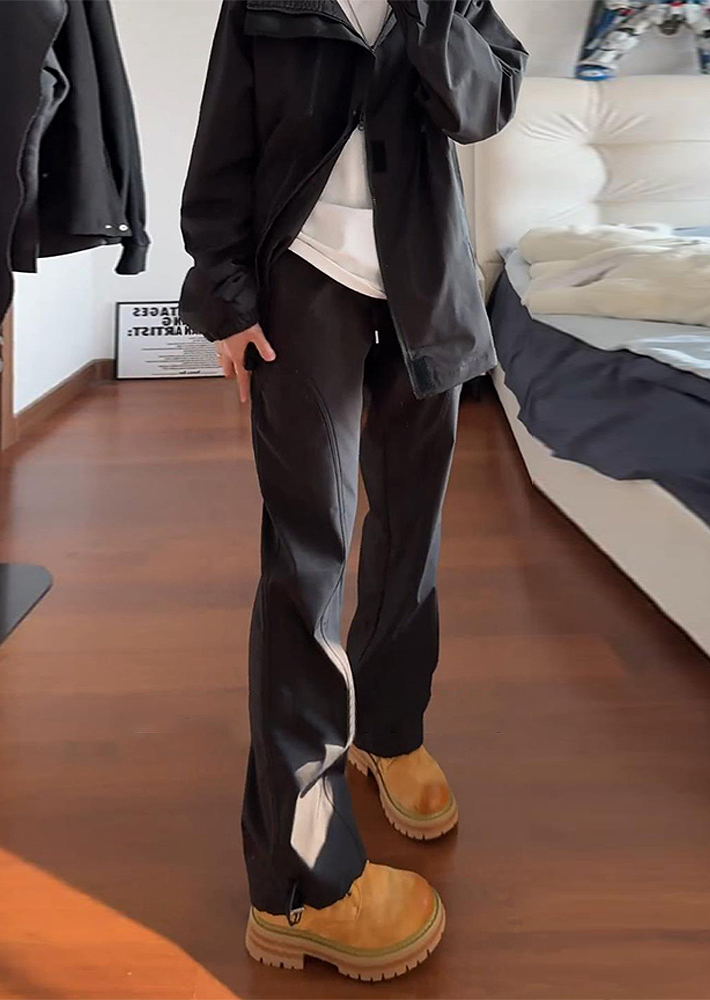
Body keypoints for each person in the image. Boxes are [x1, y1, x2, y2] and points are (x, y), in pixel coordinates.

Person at [180, 0, 527, 982]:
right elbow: (222, 152)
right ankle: (300, 885)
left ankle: (388, 731)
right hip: (303, 282)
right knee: (307, 560)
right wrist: (226, 302)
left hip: (427, 284)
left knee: (412, 529)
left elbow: (479, 108)